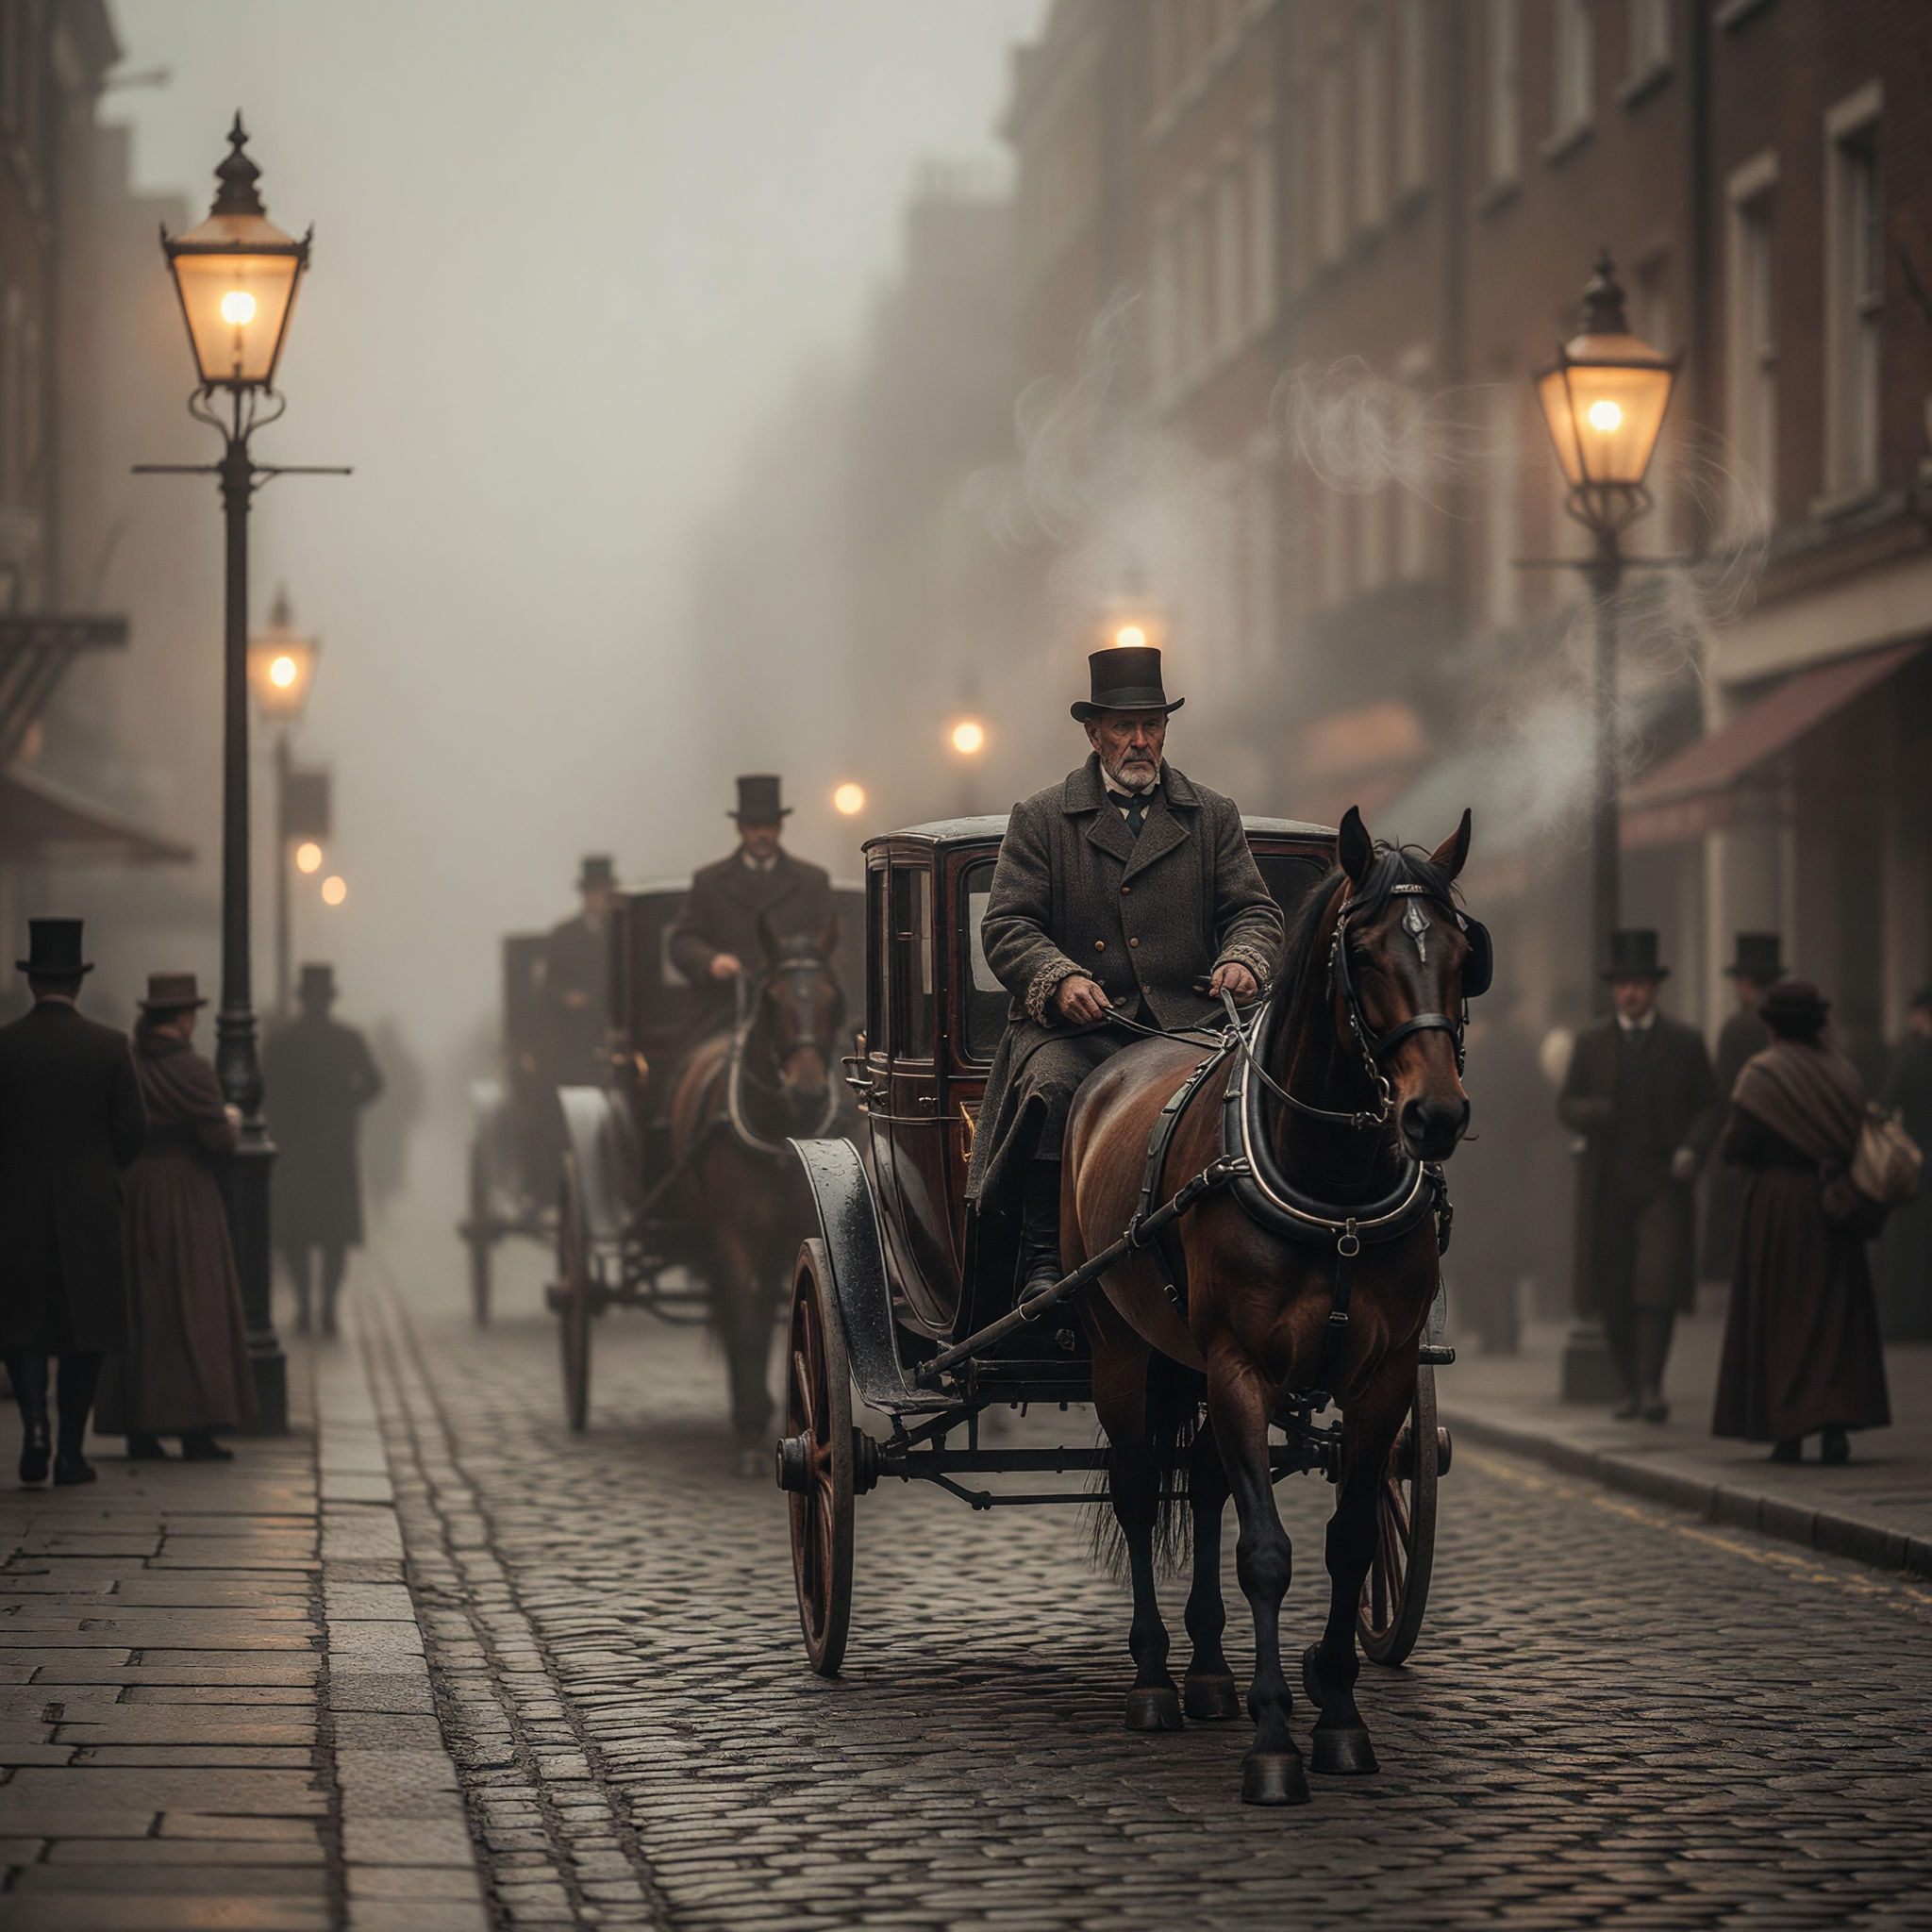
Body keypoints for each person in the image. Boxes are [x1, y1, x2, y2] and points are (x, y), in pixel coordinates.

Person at [965, 645, 1282, 1296]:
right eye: (1123, 727)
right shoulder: (1042, 818)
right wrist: (1057, 979)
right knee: (1051, 1086)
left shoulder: (1212, 815)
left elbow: (1255, 911)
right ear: (1093, 732)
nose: (1141, 741)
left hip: (1190, 1028)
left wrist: (1243, 959)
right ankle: (1045, 1254)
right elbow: (1005, 927)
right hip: (1082, 1030)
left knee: (1258, 1090)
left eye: (1153, 726)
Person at [1713, 979, 1890, 1463]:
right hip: (1835, 1205)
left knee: (1783, 1319)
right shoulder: (1842, 1072)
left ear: (1770, 1026)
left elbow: (1735, 1146)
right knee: (1834, 1319)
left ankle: (1788, 1431)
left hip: (1779, 1207)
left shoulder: (1761, 1075)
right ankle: (1835, 1429)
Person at [0, 920, 146, 1485]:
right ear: (77, 985)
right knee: (87, 1331)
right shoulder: (110, 1045)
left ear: (33, 982)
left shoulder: (5, 1046)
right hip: (89, 1209)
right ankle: (68, 1451)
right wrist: (101, 1170)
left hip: (15, 1207)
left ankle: (34, 1424)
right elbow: (134, 1130)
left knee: (22, 1323)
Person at [1557, 929, 1721, 1423]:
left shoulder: (1685, 1042)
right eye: (1625, 984)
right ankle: (1629, 1386)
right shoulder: (1590, 1043)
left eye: (1642, 984)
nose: (1633, 993)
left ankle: (1652, 1386)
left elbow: (1711, 1106)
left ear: (1656, 989)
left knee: (1657, 1284)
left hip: (1663, 1181)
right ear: (1614, 989)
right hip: (1607, 1184)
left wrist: (1693, 1147)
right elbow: (1565, 1102)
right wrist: (1588, 1112)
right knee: (1614, 1286)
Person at [95, 974, 257, 1459]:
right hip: (188, 1194)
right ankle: (195, 1426)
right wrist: (231, 1120)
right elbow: (219, 1142)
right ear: (183, 1016)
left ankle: (140, 1427)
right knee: (195, 1307)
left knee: (142, 1307)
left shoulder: (130, 1063)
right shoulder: (194, 1069)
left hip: (137, 1189)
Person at [668, 775, 833, 1046]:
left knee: (834, 1066)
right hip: (724, 1009)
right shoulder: (709, 882)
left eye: (768, 825)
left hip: (795, 1012)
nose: (762, 834)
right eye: (753, 826)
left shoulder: (812, 882)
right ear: (740, 829)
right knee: (691, 1071)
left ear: (780, 826)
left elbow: (832, 946)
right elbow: (683, 941)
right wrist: (711, 961)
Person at [265, 964, 384, 1338]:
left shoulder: (281, 1042)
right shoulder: (348, 1039)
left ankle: (305, 1306)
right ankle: (327, 1308)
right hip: (334, 1147)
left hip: (294, 1147)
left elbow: (263, 1090)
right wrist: (348, 1102)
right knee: (334, 1238)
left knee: (295, 1236)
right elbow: (375, 1083)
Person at [1874, 986, 1932, 1340]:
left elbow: (1887, 1100)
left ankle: (1907, 1320)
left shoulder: (1912, 1054)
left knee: (1910, 1244)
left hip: (1916, 1162)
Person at [542, 855, 617, 1086]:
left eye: (606, 893)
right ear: (585, 895)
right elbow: (548, 986)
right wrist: (567, 997)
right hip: (578, 1035)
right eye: (596, 893)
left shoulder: (623, 932)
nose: (601, 899)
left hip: (613, 1031)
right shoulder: (564, 934)